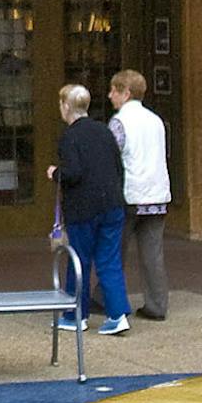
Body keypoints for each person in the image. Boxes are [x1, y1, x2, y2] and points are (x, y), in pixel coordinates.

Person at [47, 82, 130, 336]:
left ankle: (75, 314)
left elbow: (73, 172)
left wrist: (55, 173)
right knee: (109, 260)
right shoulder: (104, 131)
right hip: (113, 204)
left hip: (84, 208)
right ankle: (117, 314)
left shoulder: (70, 136)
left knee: (79, 260)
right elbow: (118, 167)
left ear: (65, 106)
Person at [107, 68, 170, 321]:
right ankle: (157, 305)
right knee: (152, 254)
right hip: (157, 194)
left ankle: (108, 298)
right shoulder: (155, 120)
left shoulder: (119, 122)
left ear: (126, 93)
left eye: (114, 90)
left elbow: (112, 154)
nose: (110, 95)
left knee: (114, 251)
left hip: (130, 194)